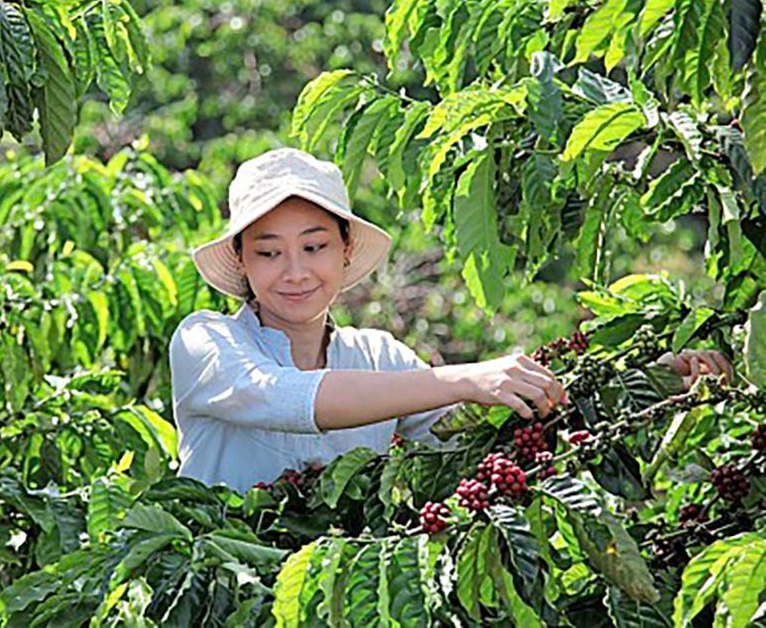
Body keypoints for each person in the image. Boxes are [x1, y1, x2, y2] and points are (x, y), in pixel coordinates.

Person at [168, 147, 733, 493]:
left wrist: (649, 380)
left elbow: (488, 427)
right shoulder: (206, 341)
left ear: (344, 250)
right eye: (268, 253)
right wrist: (464, 376)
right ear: (240, 260)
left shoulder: (378, 356)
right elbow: (283, 395)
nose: (294, 272)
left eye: (313, 247)